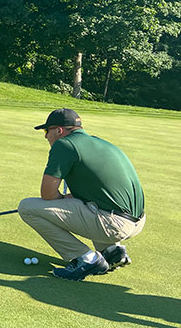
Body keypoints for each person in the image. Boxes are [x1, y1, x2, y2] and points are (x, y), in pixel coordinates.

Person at [18, 108, 145, 281]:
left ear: (59, 130)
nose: (46, 136)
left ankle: (86, 259)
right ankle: (111, 251)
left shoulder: (64, 145)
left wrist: (61, 201)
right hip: (137, 221)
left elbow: (47, 193)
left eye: (47, 131)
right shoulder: (101, 142)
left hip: (114, 224)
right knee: (85, 204)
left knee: (27, 207)